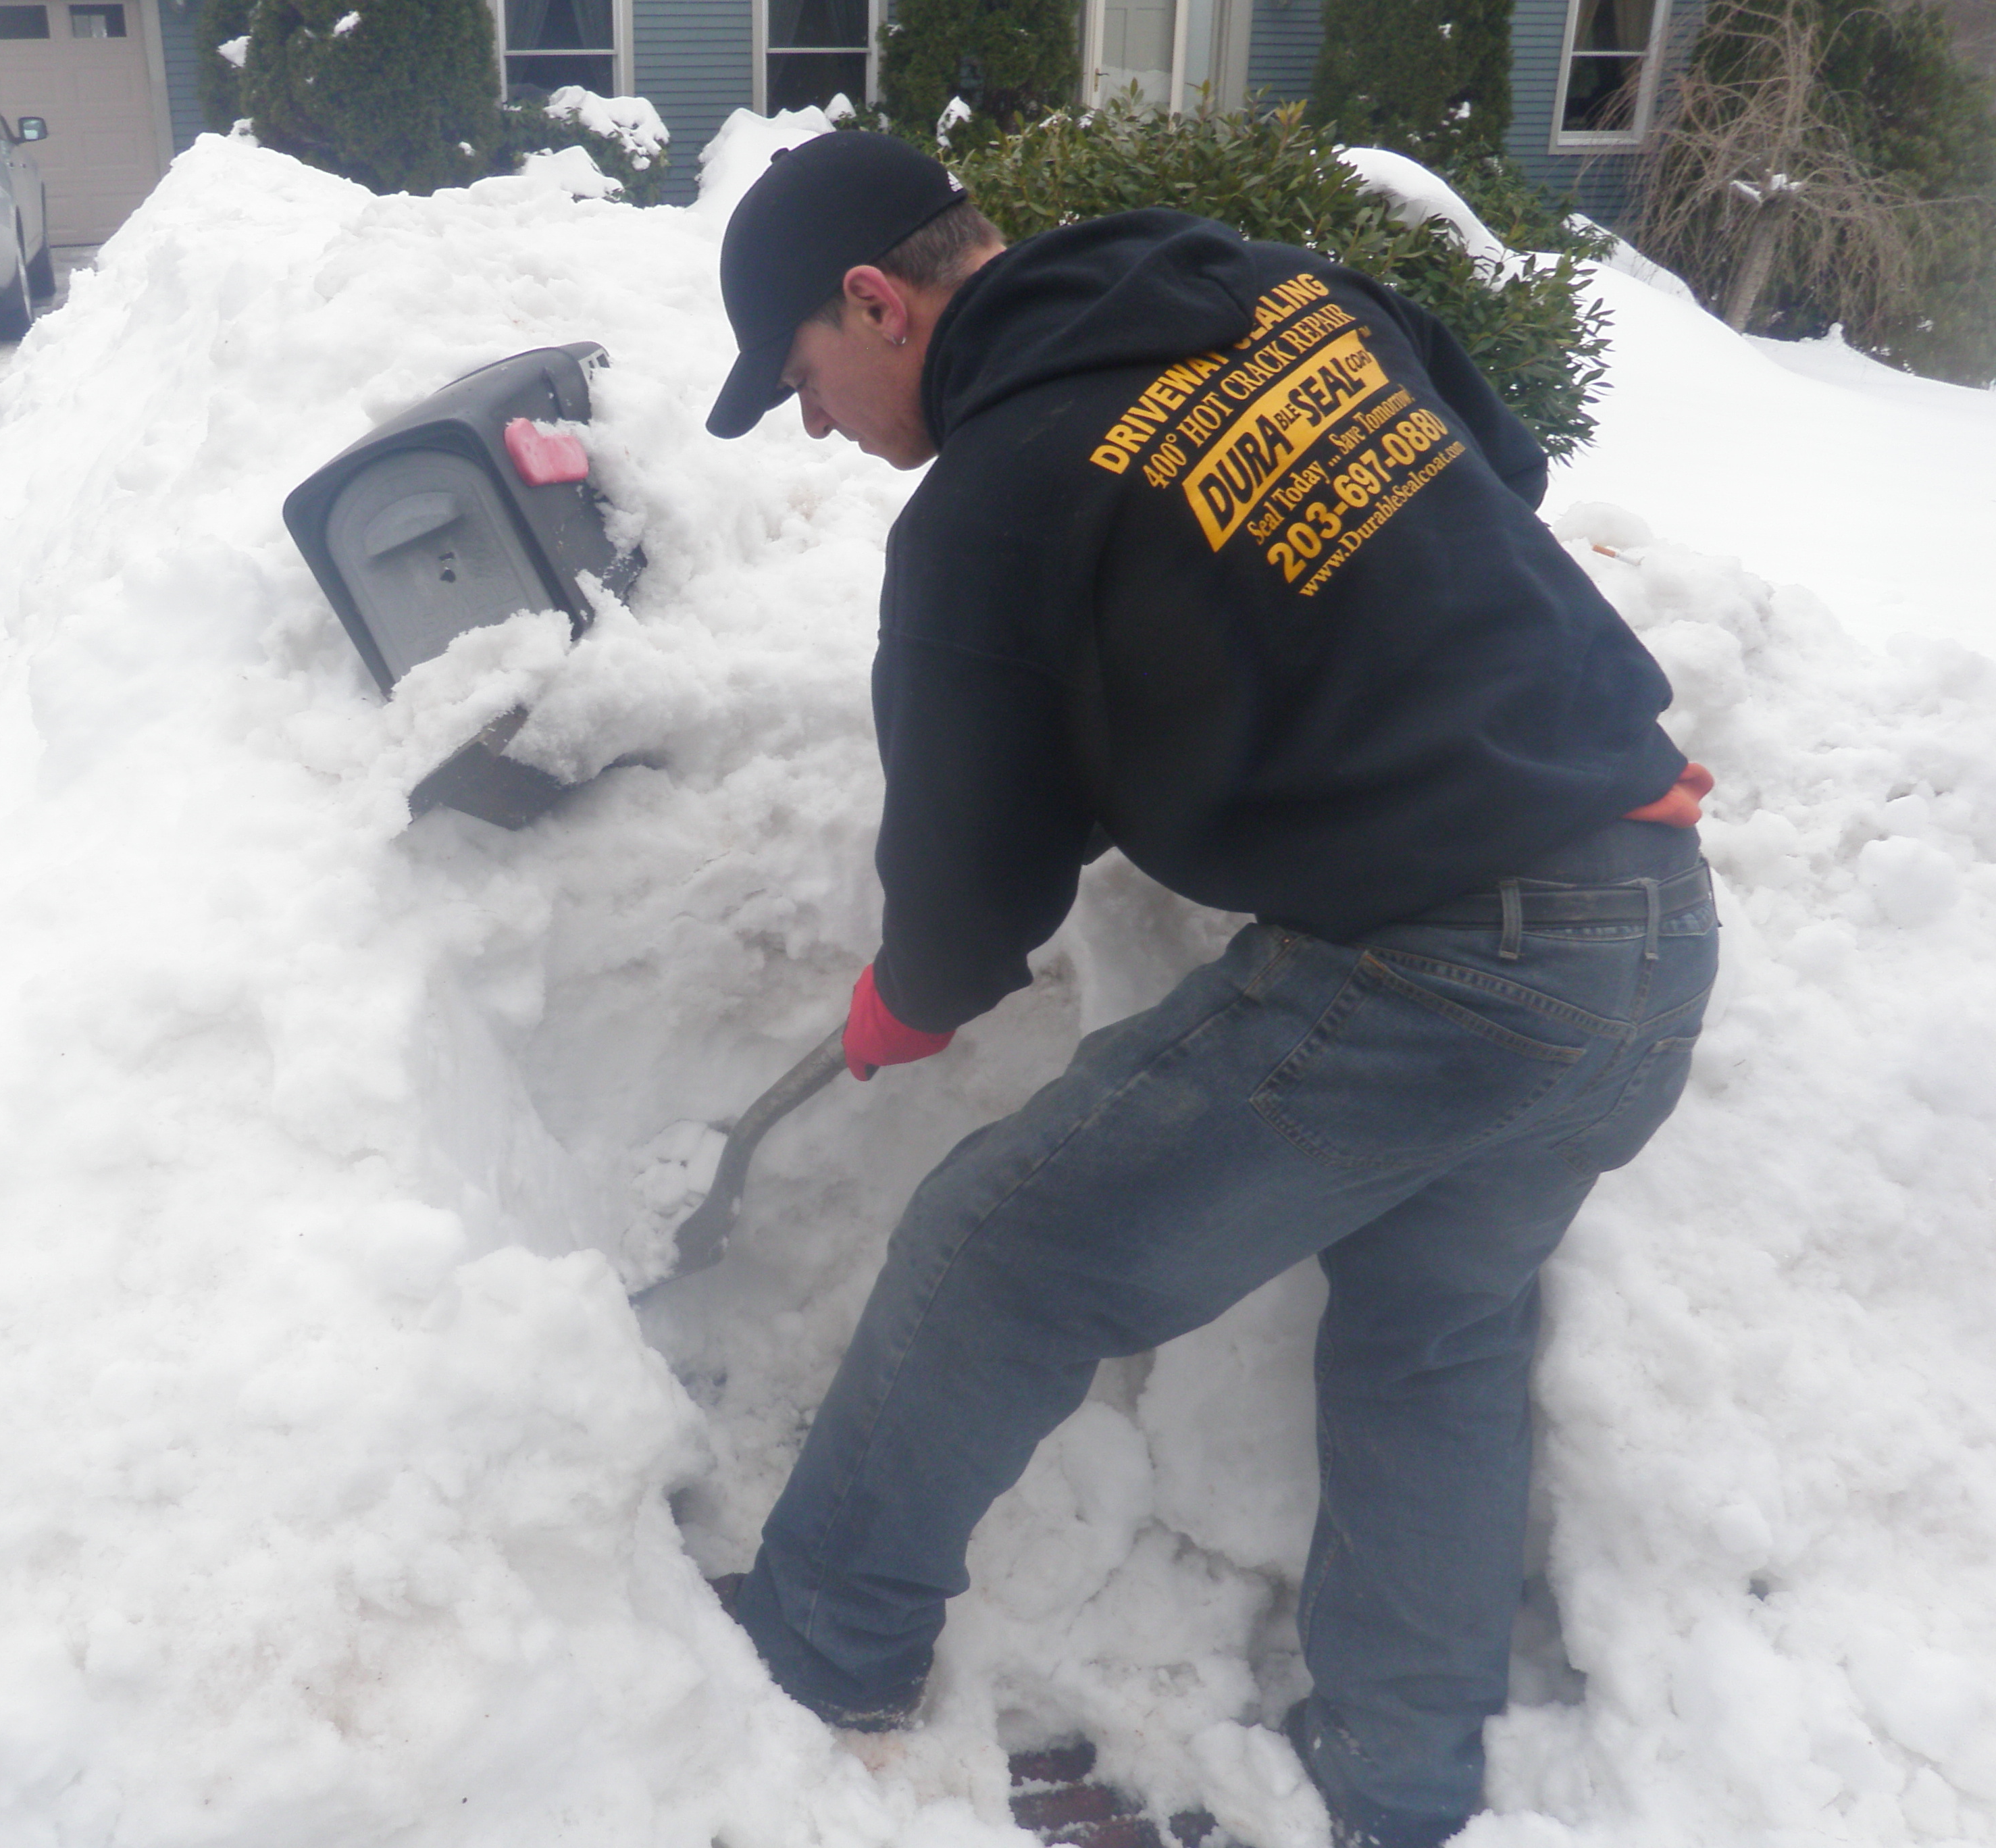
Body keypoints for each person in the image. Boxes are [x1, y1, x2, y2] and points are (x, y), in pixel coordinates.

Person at [702, 131, 1718, 1848]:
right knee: (1436, 1341)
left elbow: (973, 875)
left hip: (1447, 971)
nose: (815, 424)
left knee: (998, 1244)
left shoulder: (993, 502)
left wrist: (913, 999)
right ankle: (1401, 1787)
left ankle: (820, 1644)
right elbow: (1500, 471)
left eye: (802, 376)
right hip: (1648, 923)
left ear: (876, 303)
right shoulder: (1266, 291)